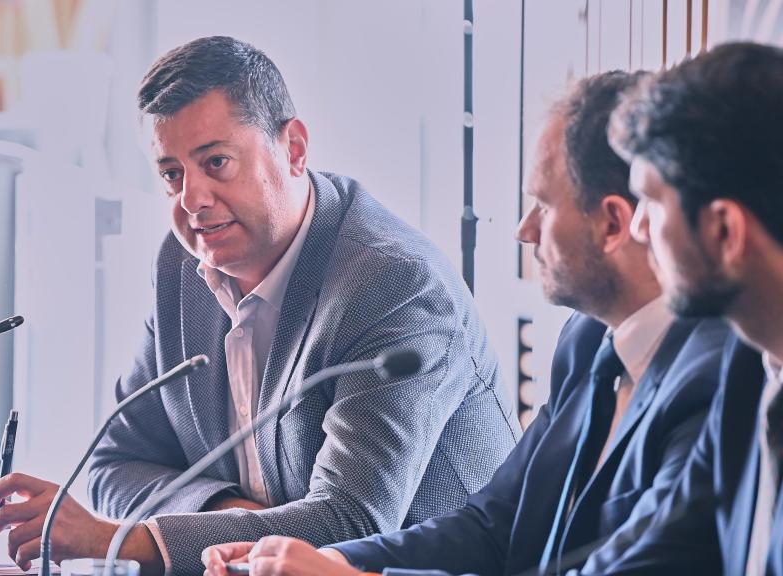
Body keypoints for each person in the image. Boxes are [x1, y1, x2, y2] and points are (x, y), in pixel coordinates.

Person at [0, 35, 520, 576]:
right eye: (172, 175)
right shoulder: (181, 265)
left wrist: (123, 540)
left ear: (293, 149)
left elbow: (350, 524)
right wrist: (229, 513)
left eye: (216, 162)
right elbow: (116, 463)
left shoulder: (393, 284)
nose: (191, 200)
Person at [203, 70, 735, 576]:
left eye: (543, 206)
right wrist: (332, 561)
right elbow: (494, 524)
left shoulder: (717, 381)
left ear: (615, 223)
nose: (524, 231)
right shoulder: (589, 339)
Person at [596, 41, 783, 575]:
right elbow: (643, 562)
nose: (637, 229)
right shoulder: (749, 366)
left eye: (652, 202)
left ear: (724, 230)